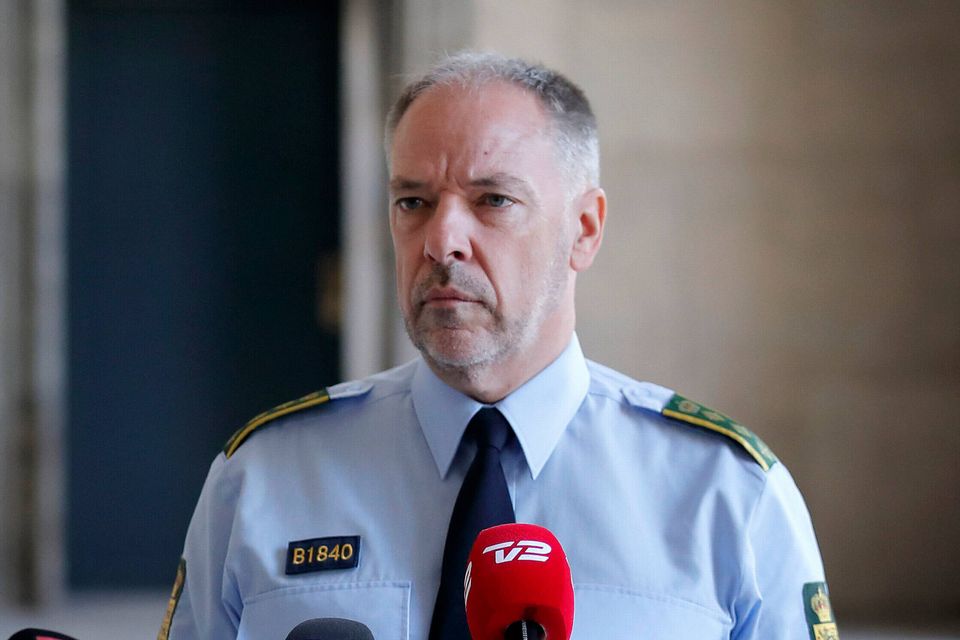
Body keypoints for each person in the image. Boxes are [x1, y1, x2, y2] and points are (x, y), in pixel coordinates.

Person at [160, 52, 838, 640]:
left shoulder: (727, 495)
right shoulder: (264, 479)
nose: (441, 241)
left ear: (584, 229)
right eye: (413, 202)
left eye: (492, 200)